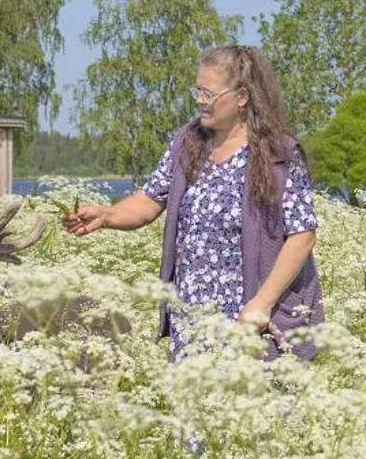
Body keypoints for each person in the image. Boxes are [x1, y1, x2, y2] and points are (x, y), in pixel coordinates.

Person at [65, 45, 324, 361]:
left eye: (208, 93)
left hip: (252, 325)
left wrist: (262, 303)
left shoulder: (279, 154)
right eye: (197, 90)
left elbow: (302, 234)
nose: (199, 100)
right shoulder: (187, 143)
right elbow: (150, 199)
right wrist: (106, 215)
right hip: (191, 320)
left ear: (241, 97)